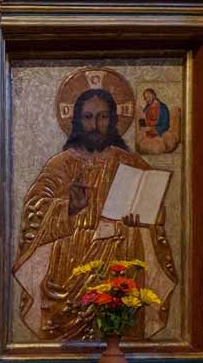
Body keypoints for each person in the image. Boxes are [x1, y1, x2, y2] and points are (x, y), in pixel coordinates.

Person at [13, 88, 177, 340]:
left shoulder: (131, 163)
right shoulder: (61, 164)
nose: (95, 125)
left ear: (113, 120)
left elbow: (156, 210)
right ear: (77, 121)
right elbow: (34, 211)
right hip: (69, 266)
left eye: (102, 117)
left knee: (120, 327)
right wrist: (68, 207)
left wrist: (142, 221)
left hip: (121, 261)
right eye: (88, 117)